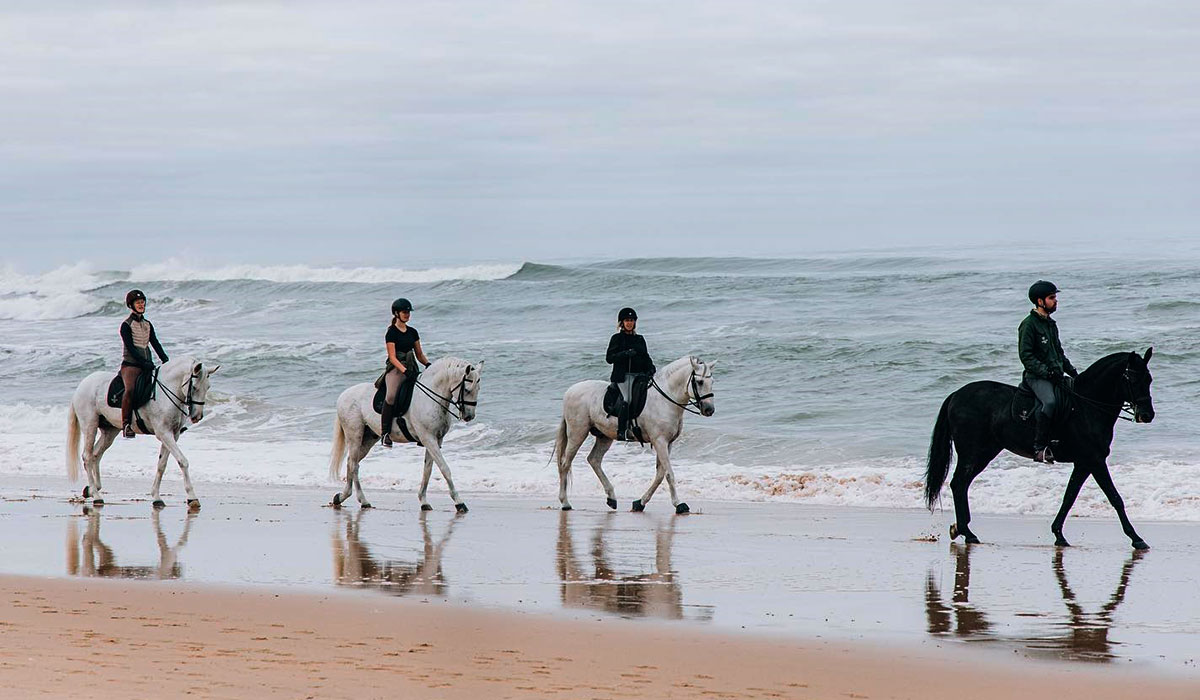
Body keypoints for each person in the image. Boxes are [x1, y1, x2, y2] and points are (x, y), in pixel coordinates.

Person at [1018, 280, 1078, 463]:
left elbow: (1059, 353)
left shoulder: (1051, 324)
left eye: (1055, 297)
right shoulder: (1029, 325)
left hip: (1056, 375)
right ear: (1040, 301)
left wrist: (1073, 372)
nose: (1056, 301)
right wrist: (1046, 372)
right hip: (1036, 377)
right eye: (1052, 298)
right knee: (1050, 402)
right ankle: (1040, 448)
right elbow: (1026, 356)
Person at [119, 289, 169, 438]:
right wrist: (143, 362)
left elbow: (155, 343)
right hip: (131, 365)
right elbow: (131, 349)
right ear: (131, 305)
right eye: (138, 303)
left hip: (147, 364)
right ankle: (126, 424)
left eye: (142, 302)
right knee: (130, 390)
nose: (141, 305)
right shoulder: (126, 325)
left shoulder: (148, 324)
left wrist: (165, 360)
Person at [381, 298, 431, 446]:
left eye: (408, 312)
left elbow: (419, 355)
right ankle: (385, 433)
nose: (407, 315)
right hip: (397, 368)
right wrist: (404, 371)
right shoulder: (391, 333)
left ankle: (422, 431)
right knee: (390, 396)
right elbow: (392, 356)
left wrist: (428, 364)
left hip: (412, 366)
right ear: (396, 313)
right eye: (404, 312)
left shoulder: (413, 332)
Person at [606, 307, 655, 440]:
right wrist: (624, 354)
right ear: (622, 323)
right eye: (627, 320)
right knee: (628, 399)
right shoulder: (616, 338)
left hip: (639, 376)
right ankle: (622, 431)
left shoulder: (639, 339)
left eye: (632, 320)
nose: (629, 323)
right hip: (623, 377)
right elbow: (609, 358)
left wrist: (651, 368)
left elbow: (646, 356)